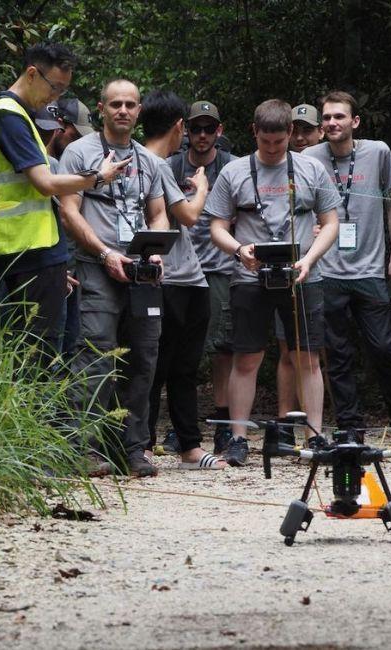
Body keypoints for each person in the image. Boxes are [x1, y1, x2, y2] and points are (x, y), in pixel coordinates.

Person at [0, 43, 127, 368]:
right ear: (33, 73)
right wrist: (97, 177)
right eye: (54, 87)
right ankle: (29, 417)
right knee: (36, 356)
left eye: (63, 90)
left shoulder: (21, 116)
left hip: (38, 248)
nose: (55, 98)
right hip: (25, 248)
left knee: (46, 349)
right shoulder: (8, 114)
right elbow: (44, 182)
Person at [207, 99, 340, 466]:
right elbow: (216, 225)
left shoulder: (311, 169)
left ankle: (314, 435)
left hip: (302, 273)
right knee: (246, 357)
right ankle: (238, 438)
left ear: (290, 136)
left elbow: (330, 222)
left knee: (307, 357)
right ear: (255, 133)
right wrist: (239, 250)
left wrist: (310, 260)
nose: (272, 149)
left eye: (279, 143)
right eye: (266, 142)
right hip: (250, 274)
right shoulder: (234, 172)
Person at [58, 79, 170, 478]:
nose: (123, 111)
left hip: (141, 271)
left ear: (139, 111)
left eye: (130, 105)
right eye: (115, 104)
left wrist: (156, 249)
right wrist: (105, 254)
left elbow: (158, 213)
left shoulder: (150, 161)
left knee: (143, 356)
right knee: (96, 354)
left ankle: (132, 449)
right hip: (96, 265)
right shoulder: (79, 153)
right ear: (101, 108)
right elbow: (69, 211)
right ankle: (83, 448)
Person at [303, 90, 391, 432]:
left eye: (339, 116)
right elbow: (300, 208)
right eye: (327, 117)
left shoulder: (378, 152)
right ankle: (350, 428)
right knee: (337, 354)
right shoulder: (309, 156)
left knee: (382, 348)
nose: (332, 122)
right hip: (328, 269)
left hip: (368, 267)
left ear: (355, 121)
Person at [139, 90, 226, 470]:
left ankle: (190, 445)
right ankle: (142, 443)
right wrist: (203, 189)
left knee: (185, 367)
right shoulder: (151, 163)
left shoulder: (156, 164)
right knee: (156, 364)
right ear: (180, 128)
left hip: (192, 277)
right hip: (166, 277)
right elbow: (190, 216)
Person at [168, 102, 237, 454]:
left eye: (210, 128)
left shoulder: (233, 166)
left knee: (222, 348)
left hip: (220, 267)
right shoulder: (171, 165)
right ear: (186, 132)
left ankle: (223, 423)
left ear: (219, 131)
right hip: (179, 269)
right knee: (180, 351)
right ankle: (182, 423)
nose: (203, 136)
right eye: (196, 129)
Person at [275, 103, 325, 426]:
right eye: (297, 130)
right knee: (288, 351)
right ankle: (285, 423)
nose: (302, 137)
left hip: (327, 266)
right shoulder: (278, 163)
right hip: (292, 268)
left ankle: (318, 425)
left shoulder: (320, 166)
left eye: (309, 130)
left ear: (319, 131)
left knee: (314, 355)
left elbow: (334, 216)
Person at [34, 98, 95, 358]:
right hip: (52, 267)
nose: (77, 142)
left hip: (66, 267)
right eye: (74, 134)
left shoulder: (60, 165)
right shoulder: (49, 167)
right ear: (60, 127)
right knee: (57, 347)